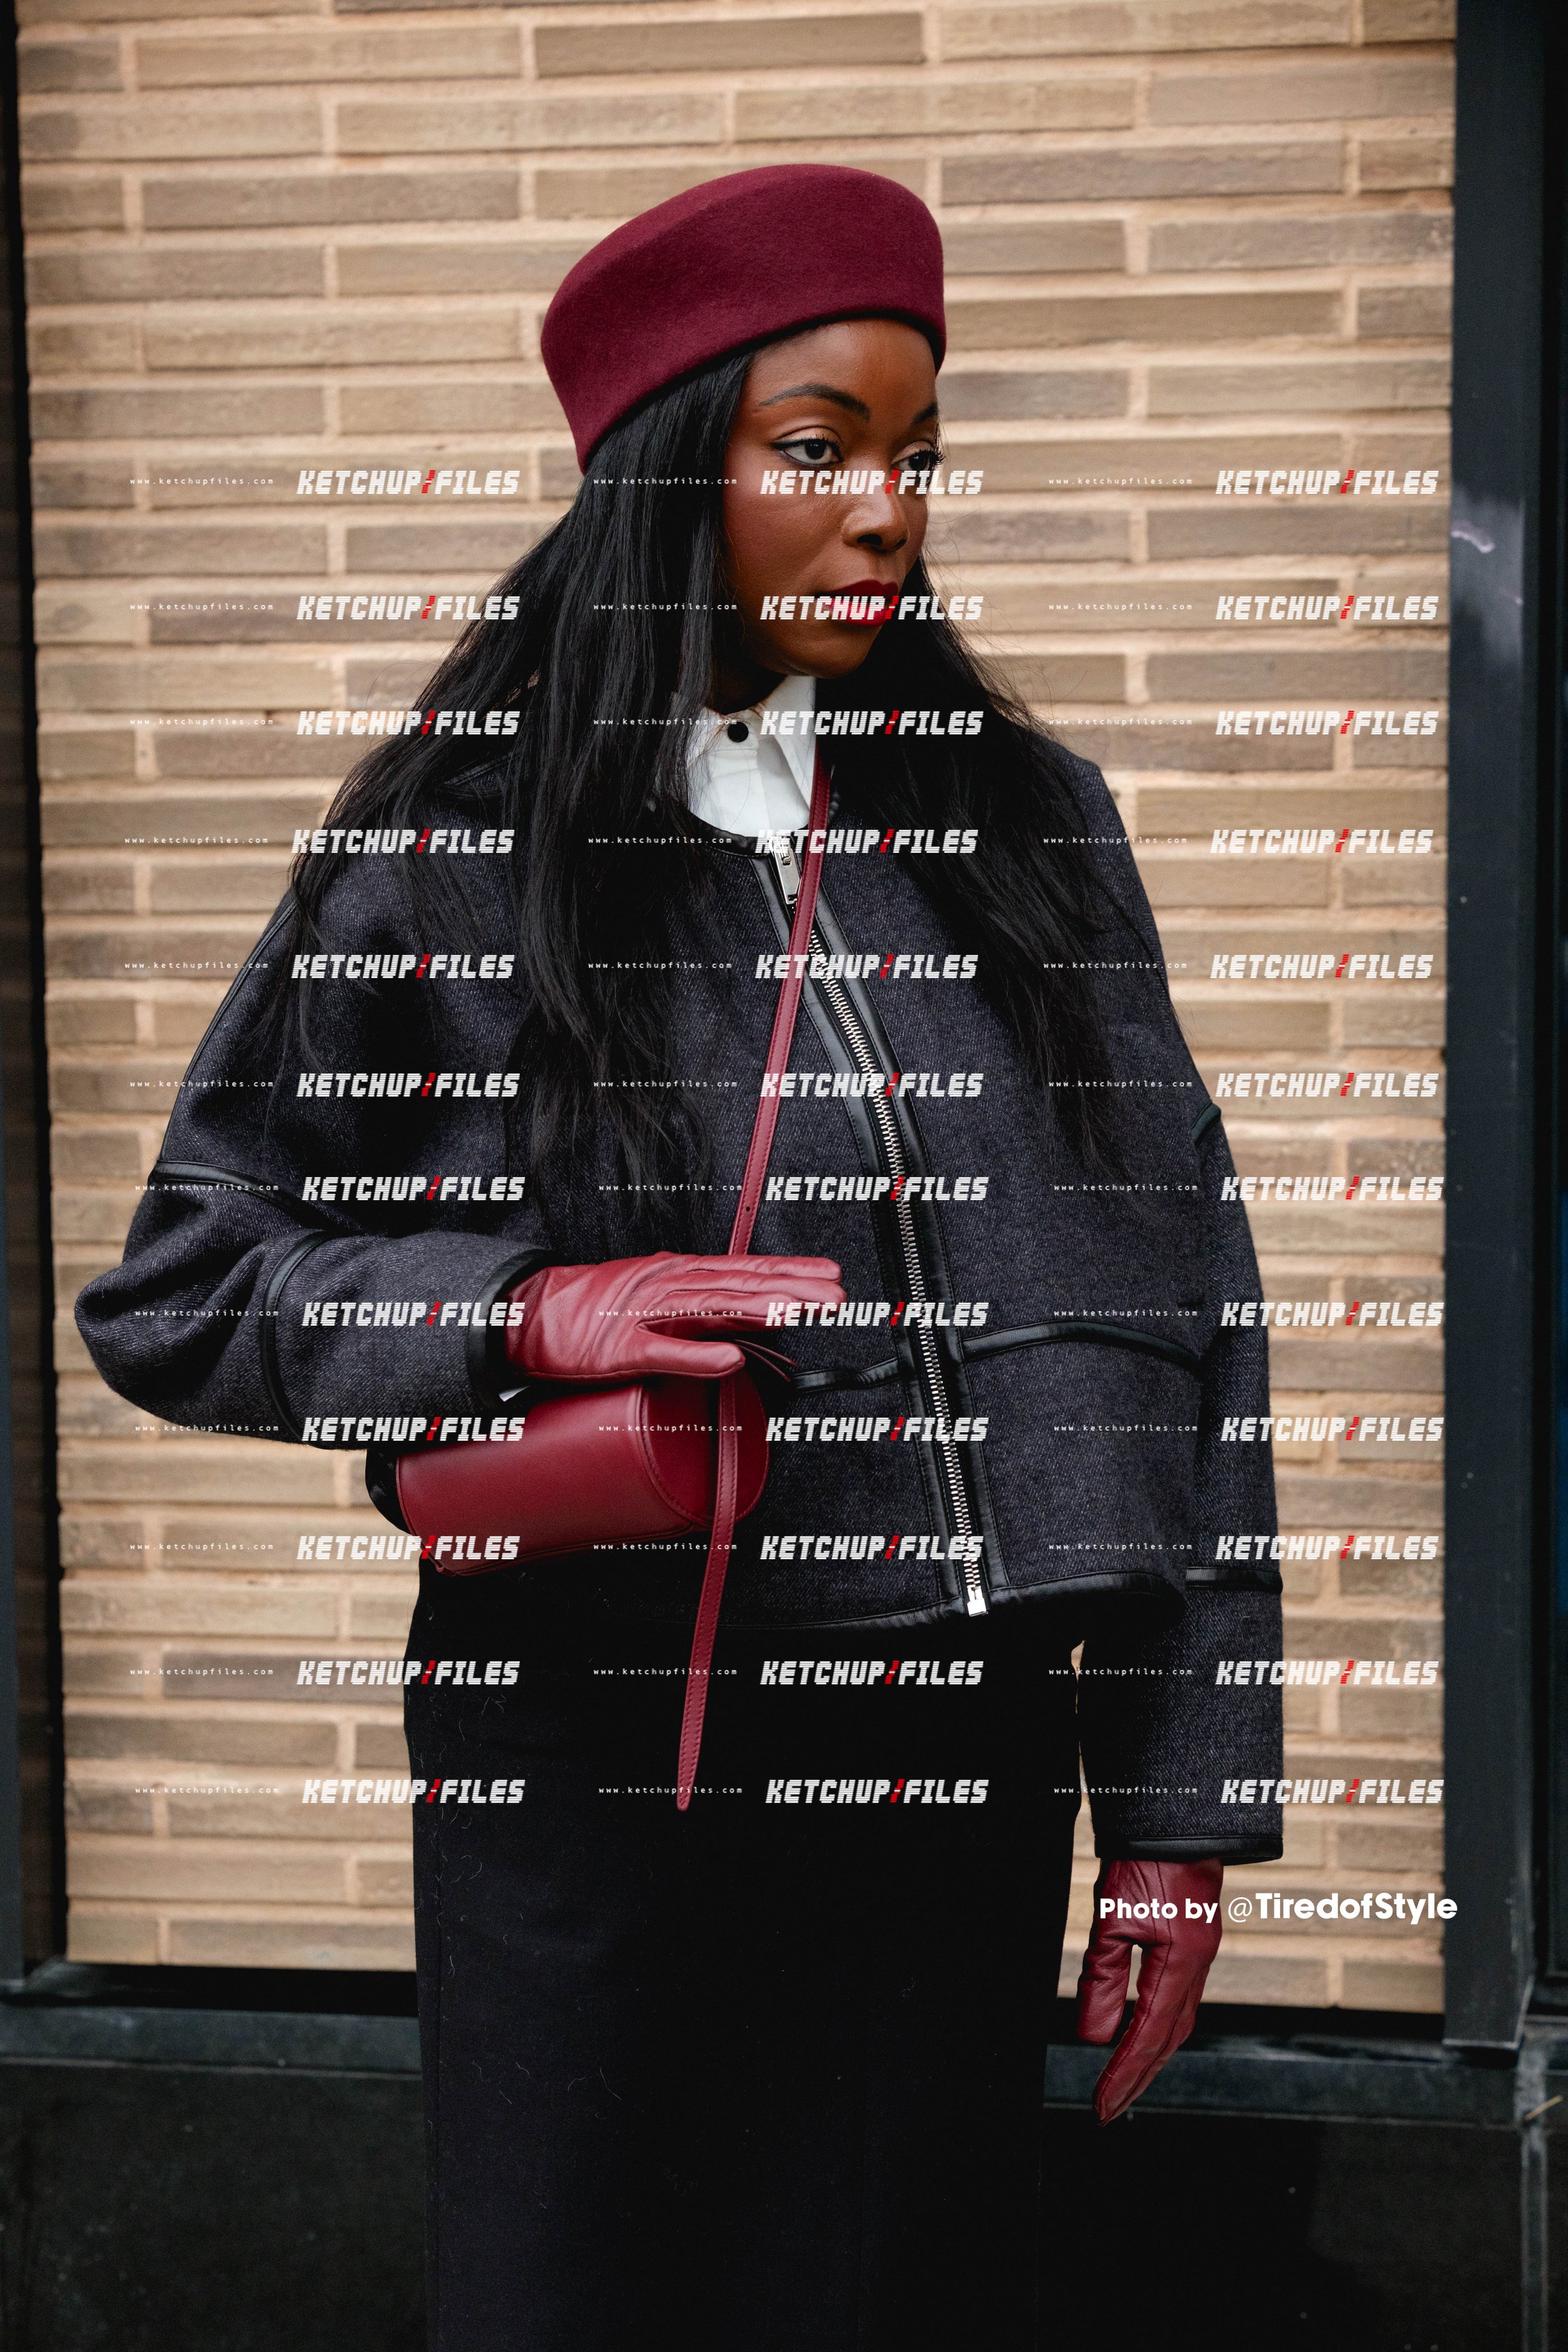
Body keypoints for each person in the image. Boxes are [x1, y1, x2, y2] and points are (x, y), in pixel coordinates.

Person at [78, 166, 1284, 2352]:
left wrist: (1179, 1818)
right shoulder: (457, 839)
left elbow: (1190, 1314)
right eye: (815, 446)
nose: (885, 508)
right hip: (591, 1765)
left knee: (897, 2297)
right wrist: (522, 1314)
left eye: (915, 453)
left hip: (950, 1768)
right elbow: (186, 1286)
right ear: (669, 467)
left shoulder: (1028, 824)